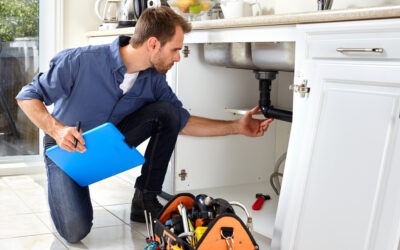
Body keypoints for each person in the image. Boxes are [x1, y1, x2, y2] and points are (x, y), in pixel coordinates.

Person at [16, 6, 273, 243]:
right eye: (175, 49)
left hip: (108, 142)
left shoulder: (154, 81)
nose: (178, 58)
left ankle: (145, 198)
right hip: (68, 148)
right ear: (153, 44)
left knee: (168, 112)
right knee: (75, 231)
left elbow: (182, 122)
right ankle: (71, 183)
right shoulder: (79, 60)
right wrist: (57, 130)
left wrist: (236, 127)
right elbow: (27, 96)